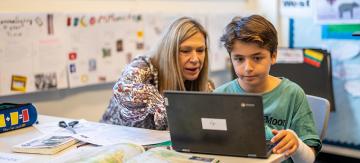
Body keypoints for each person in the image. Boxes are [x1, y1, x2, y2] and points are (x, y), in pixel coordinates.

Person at [214, 15, 321, 163]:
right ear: (231, 58)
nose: (248, 68)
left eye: (257, 58)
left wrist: (297, 145)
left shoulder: (292, 94)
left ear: (273, 56)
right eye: (239, 59)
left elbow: (309, 159)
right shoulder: (219, 96)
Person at [101, 17, 213, 130]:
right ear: (169, 51)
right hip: (110, 143)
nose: (195, 59)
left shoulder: (206, 86)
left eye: (200, 50)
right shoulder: (142, 67)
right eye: (185, 51)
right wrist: (153, 99)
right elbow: (123, 90)